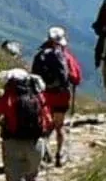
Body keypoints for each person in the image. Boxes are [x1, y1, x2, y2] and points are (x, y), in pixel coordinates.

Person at [30, 26, 83, 165]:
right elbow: (76, 77)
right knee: (59, 126)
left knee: (45, 126)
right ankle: (60, 154)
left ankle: (44, 154)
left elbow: (34, 76)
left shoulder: (40, 55)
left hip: (44, 96)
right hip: (61, 95)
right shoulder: (65, 56)